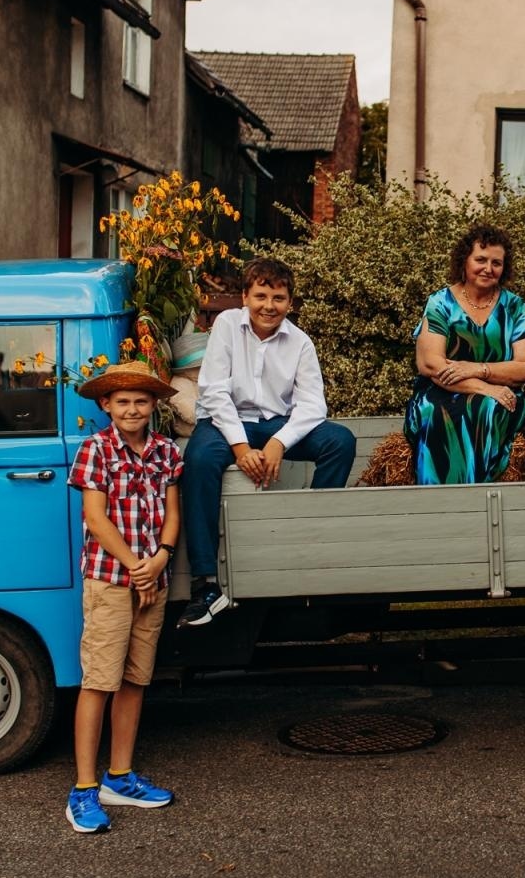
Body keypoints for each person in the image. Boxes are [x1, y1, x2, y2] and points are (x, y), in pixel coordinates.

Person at [180, 258, 358, 628]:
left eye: (278, 298)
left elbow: (313, 406)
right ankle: (206, 583)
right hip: (225, 420)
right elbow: (213, 392)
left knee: (339, 441)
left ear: (290, 303)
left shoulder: (300, 342)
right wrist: (240, 448)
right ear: (245, 297)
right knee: (198, 459)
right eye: (260, 295)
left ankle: (309, 540)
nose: (268, 305)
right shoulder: (227, 326)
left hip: (277, 424)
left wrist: (278, 443)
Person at [65, 361, 184, 834]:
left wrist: (161, 557)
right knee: (99, 680)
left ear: (154, 405)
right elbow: (96, 518)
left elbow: (172, 514)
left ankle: (120, 775)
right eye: (122, 402)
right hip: (111, 580)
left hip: (153, 578)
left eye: (141, 400)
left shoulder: (165, 452)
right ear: (105, 406)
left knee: (135, 678)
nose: (132, 409)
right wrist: (137, 567)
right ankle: (83, 789)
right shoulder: (95, 450)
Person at [405, 224, 525, 484]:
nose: (488, 268)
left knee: (488, 409)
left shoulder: (515, 307)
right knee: (434, 413)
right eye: (480, 259)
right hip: (441, 391)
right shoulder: (440, 303)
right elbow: (431, 365)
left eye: (496, 263)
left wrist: (479, 369)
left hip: (505, 396)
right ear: (464, 261)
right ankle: (439, 504)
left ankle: (475, 500)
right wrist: (484, 387)